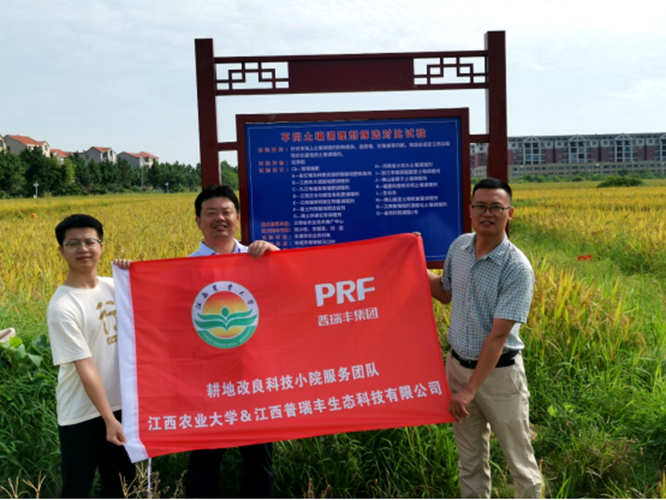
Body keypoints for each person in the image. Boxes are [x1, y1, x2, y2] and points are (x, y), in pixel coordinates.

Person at [428, 178, 542, 498]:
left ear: (510, 213)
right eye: (481, 206)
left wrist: (469, 391)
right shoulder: (460, 247)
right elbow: (444, 292)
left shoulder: (516, 267)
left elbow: (498, 336)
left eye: (496, 207)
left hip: (498, 376)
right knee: (470, 462)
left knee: (520, 463)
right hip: (458, 367)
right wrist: (410, 260)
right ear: (471, 210)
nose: (487, 213)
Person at [186, 184, 278, 498]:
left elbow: (295, 286)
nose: (219, 218)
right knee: (204, 462)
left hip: (254, 380)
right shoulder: (183, 269)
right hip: (207, 386)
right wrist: (131, 275)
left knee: (260, 462)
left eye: (226, 212)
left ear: (237, 218)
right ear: (198, 221)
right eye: (210, 213)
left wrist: (277, 256)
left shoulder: (260, 258)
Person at [46, 214, 135, 498]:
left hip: (122, 406)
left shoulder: (116, 286)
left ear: (101, 246)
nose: (83, 249)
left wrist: (134, 273)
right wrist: (109, 419)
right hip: (82, 414)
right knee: (77, 489)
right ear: (61, 251)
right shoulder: (62, 306)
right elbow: (86, 367)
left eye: (90, 242)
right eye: (73, 243)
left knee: (122, 487)